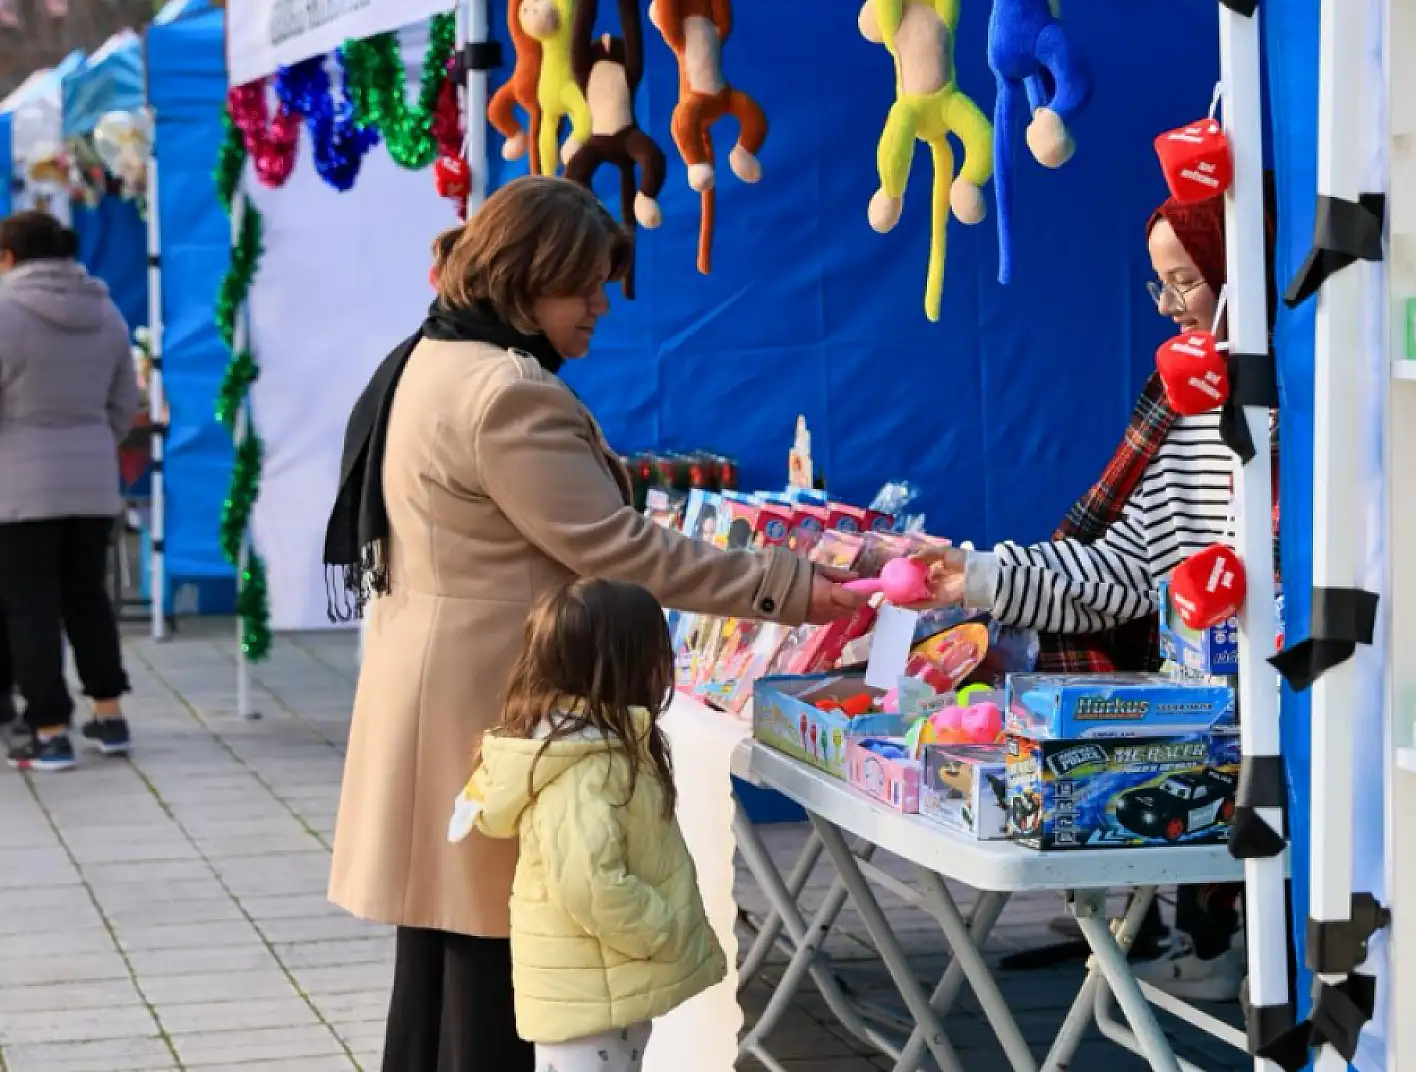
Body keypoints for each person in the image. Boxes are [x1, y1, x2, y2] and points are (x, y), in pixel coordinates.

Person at [322, 176, 864, 1072]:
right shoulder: (504, 393)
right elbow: (620, 551)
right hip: (488, 699)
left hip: (440, 688)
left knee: (444, 963)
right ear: (526, 279)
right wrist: (790, 584)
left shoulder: (434, 355)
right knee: (494, 963)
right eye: (585, 285)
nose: (602, 307)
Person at [916, 195, 1261, 1001]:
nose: (1173, 307)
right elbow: (1118, 573)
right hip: (1200, 720)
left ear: (1243, 272)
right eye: (1160, 286)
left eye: (1188, 282)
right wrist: (975, 575)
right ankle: (1197, 940)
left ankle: (1216, 944)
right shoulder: (1178, 403)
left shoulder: (1308, 408)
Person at [448, 578, 720, 1072]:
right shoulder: (585, 767)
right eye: (660, 653)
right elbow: (587, 882)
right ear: (626, 666)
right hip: (588, 995)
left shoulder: (598, 746)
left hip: (599, 986)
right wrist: (657, 928)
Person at [0, 212, 137, 773]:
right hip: (93, 480)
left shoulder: (5, 311)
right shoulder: (104, 310)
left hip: (18, 485)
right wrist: (94, 442)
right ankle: (109, 715)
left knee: (29, 606)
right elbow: (125, 400)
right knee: (87, 599)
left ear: (10, 255)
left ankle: (50, 729)